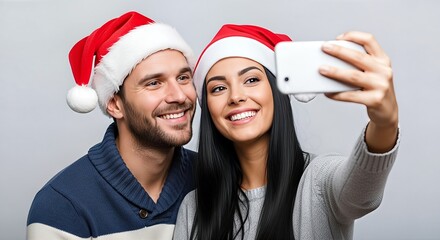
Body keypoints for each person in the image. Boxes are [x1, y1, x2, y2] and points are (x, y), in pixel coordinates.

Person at [173, 24, 400, 240]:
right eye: (219, 88)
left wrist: (385, 123)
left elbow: (361, 195)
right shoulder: (193, 208)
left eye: (251, 80)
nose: (235, 97)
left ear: (277, 91)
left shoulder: (317, 181)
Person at [27, 11, 197, 239]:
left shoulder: (217, 178)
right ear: (114, 104)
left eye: (183, 78)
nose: (179, 95)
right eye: (154, 83)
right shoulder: (62, 206)